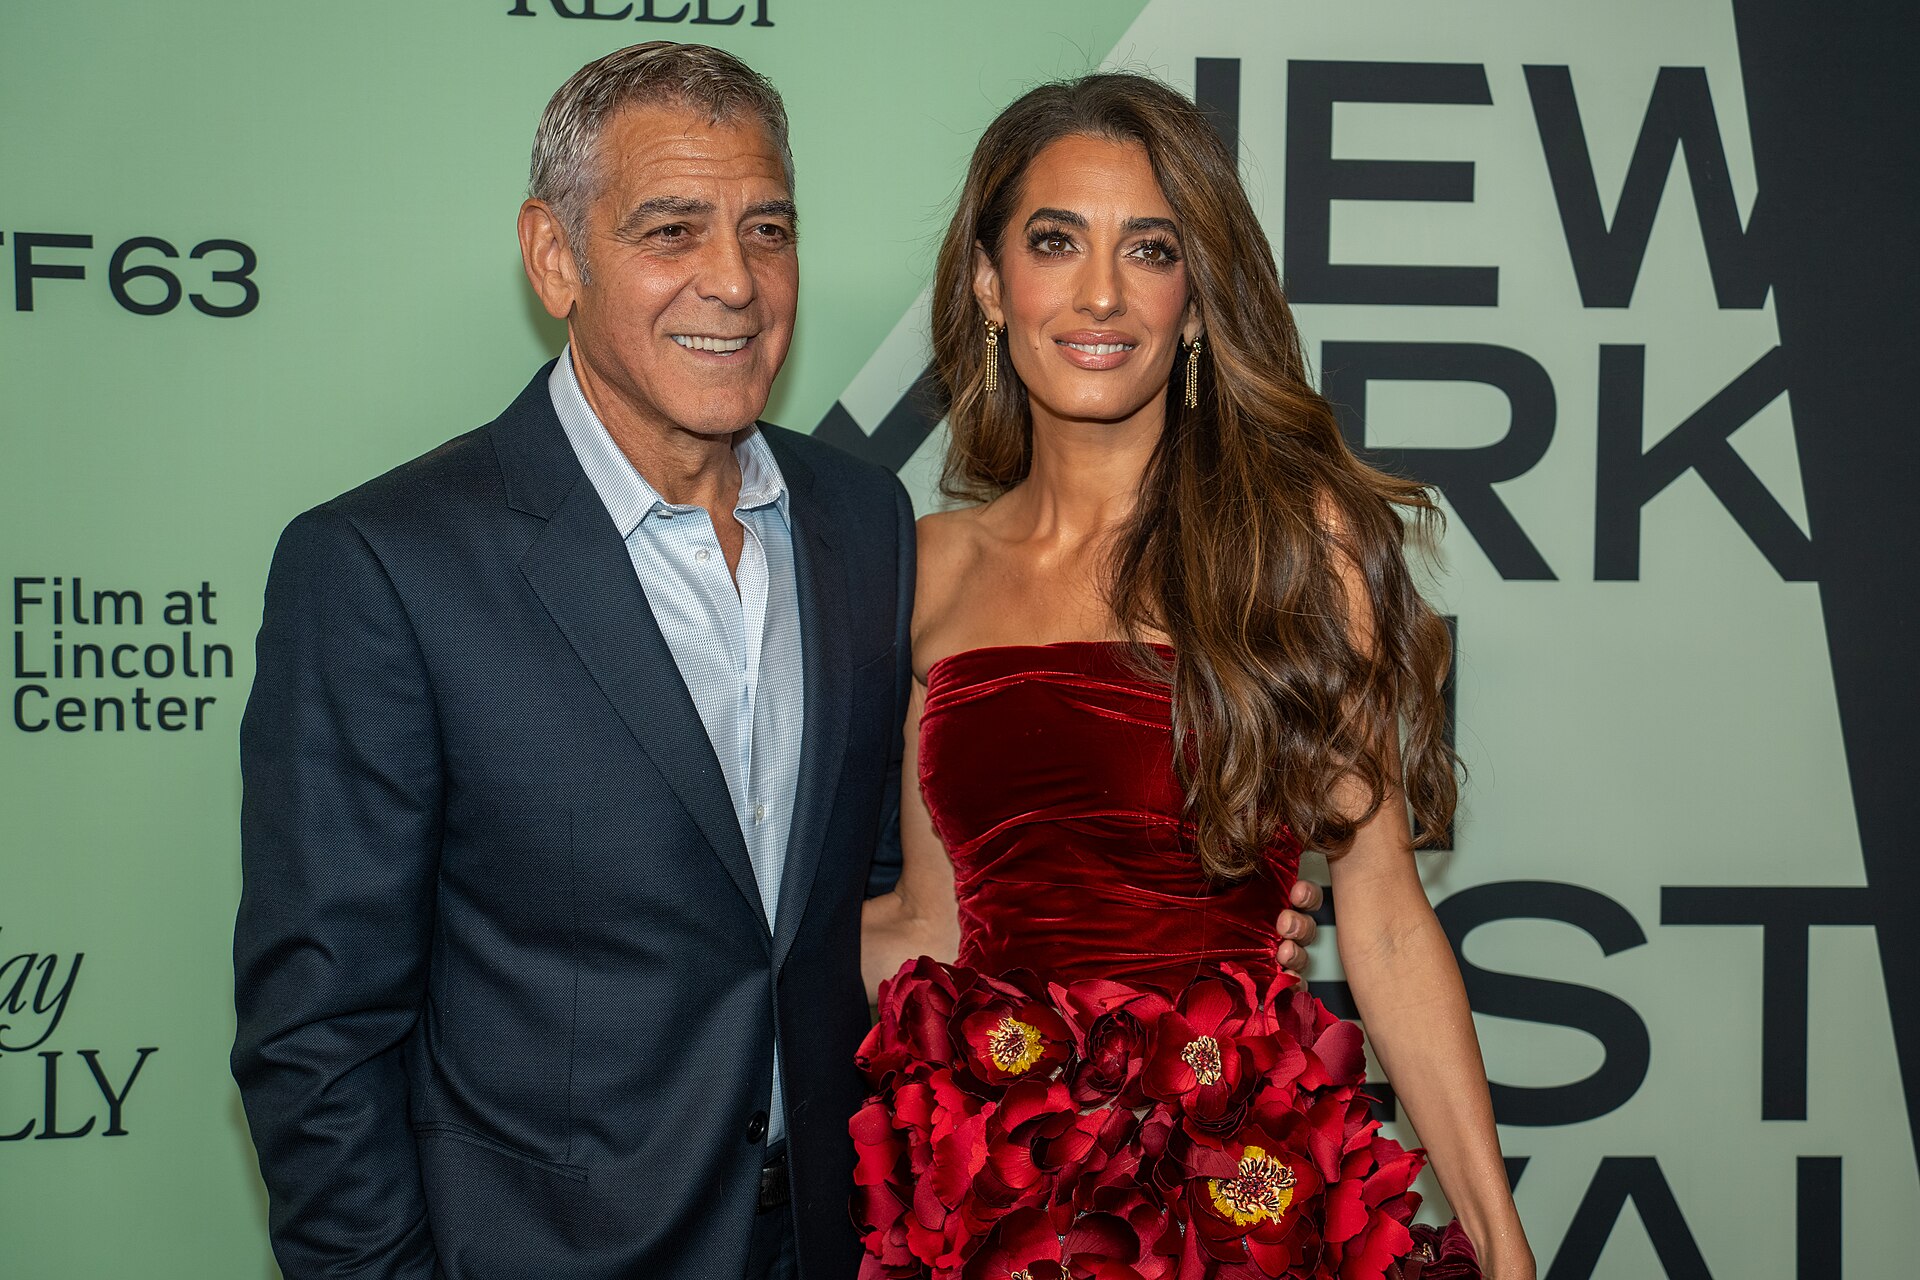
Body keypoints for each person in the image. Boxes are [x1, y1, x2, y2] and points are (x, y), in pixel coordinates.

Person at [230, 43, 1323, 1280]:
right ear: (554, 257)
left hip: (851, 1237)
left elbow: (917, 890)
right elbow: (318, 1037)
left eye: (767, 228)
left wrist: (1184, 915)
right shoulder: (385, 566)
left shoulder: (862, 526)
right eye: (672, 230)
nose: (733, 282)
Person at [856, 73, 1533, 1279]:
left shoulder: (1297, 545)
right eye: (1054, 241)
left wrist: (1499, 1239)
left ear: (1200, 301)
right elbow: (932, 922)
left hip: (1241, 1187)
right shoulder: (924, 567)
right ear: (987, 282)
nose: (1101, 292)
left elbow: (1378, 912)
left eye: (1151, 249)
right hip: (1002, 1198)